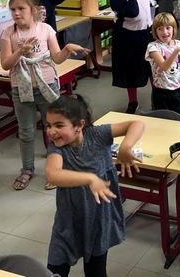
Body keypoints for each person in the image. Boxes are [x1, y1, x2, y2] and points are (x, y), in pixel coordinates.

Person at [45, 95, 144, 277]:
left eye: (59, 125)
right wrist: (90, 178)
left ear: (80, 125)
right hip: (68, 221)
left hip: (99, 218)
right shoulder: (56, 148)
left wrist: (125, 147)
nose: (51, 131)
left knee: (96, 272)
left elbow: (137, 124)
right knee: (54, 269)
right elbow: (53, 174)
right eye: (48, 125)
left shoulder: (97, 134)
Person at [0, 0, 89, 191]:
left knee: (55, 131)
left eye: (21, 9)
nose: (16, 13)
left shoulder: (46, 29)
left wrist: (67, 49)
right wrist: (20, 51)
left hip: (47, 86)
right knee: (26, 132)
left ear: (33, 10)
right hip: (21, 89)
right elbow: (6, 65)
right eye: (13, 10)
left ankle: (56, 169)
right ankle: (27, 169)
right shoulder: (9, 33)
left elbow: (56, 58)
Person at [109, 0, 166, 114]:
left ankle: (157, 99)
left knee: (153, 68)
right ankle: (133, 101)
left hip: (147, 34)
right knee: (131, 70)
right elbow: (133, 12)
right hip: (128, 38)